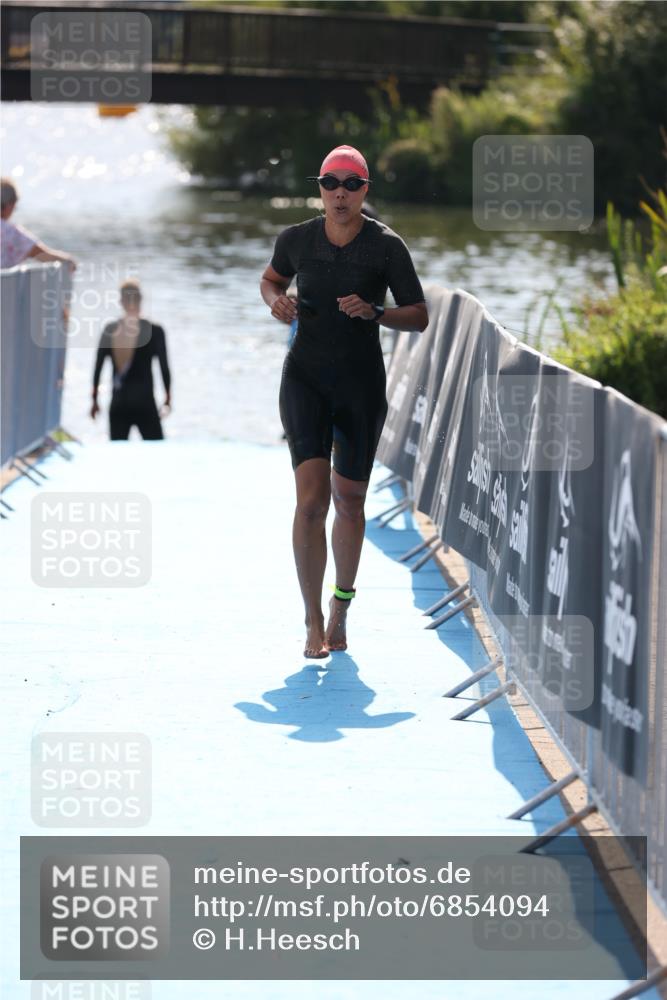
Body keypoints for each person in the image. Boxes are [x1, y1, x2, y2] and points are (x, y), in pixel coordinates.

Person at [260, 144, 428, 659]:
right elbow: (270, 280)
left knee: (350, 500)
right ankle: (311, 619)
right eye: (331, 183)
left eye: (351, 184)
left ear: (364, 192)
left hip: (359, 385)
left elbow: (418, 314)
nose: (340, 193)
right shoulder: (297, 239)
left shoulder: (386, 247)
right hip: (305, 379)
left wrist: (376, 311)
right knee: (311, 502)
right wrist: (276, 302)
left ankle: (341, 605)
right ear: (320, 188)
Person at [91, 279, 172, 440]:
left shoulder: (110, 329)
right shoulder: (155, 330)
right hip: (145, 402)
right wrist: (168, 398)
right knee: (157, 454)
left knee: (117, 456)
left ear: (121, 301)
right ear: (141, 300)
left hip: (119, 403)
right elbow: (164, 368)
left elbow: (98, 368)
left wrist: (94, 401)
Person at [0, 177, 76, 271]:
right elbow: (44, 255)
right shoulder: (10, 232)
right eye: (15, 207)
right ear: (8, 205)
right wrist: (69, 261)